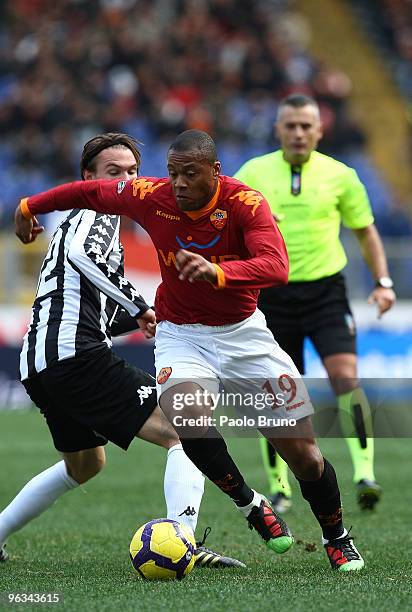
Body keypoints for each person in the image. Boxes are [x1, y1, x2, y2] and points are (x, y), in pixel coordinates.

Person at [15, 129, 365, 571]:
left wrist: (218, 274)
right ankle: (247, 502)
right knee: (187, 418)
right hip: (181, 334)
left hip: (246, 336)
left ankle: (337, 536)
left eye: (190, 174)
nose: (178, 184)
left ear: (215, 172)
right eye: (173, 173)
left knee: (305, 455)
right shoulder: (150, 195)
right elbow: (89, 189)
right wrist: (30, 206)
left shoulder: (246, 204)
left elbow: (276, 266)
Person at [1, 132, 244, 569]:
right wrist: (140, 305)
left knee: (85, 465)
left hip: (41, 362)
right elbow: (83, 256)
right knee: (183, 428)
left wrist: (136, 317)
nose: (127, 181)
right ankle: (183, 540)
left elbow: (83, 301)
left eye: (133, 172)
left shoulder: (77, 222)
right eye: (114, 172)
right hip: (74, 356)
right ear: (89, 179)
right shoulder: (94, 215)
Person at [234, 93, 396, 513]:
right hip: (273, 294)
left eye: (307, 126)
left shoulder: (341, 175)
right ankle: (280, 487)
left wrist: (382, 281)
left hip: (326, 292)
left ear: (320, 130)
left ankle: (365, 473)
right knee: (279, 394)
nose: (299, 133)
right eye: (291, 125)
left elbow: (366, 231)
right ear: (278, 130)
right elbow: (231, 227)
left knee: (346, 378)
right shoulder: (253, 172)